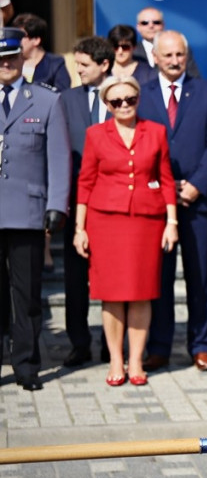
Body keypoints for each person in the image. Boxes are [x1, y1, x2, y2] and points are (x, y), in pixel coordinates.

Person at [73, 76, 178, 386]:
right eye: (116, 101)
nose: (123, 106)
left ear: (137, 99)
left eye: (129, 100)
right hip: (105, 222)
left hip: (146, 222)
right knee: (112, 295)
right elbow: (85, 181)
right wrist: (80, 227)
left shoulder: (156, 131)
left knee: (142, 293)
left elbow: (167, 179)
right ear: (107, 104)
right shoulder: (95, 134)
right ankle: (115, 359)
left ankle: (136, 361)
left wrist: (172, 223)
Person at [138, 31, 207, 372]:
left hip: (199, 202)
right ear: (155, 58)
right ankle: (159, 347)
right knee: (159, 276)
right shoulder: (140, 96)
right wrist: (165, 188)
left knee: (199, 276)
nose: (175, 61)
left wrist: (197, 185)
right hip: (157, 202)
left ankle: (201, 345)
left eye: (180, 55)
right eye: (168, 55)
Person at [0, 27, 71, 391]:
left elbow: (58, 159)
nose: (6, 64)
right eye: (0, 59)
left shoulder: (45, 100)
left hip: (27, 213)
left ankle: (26, 367)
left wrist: (57, 204)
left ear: (22, 57)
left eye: (11, 57)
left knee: (27, 296)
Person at [59, 36, 114, 368]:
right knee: (75, 278)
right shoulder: (66, 100)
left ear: (104, 65)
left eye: (83, 65)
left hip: (114, 204)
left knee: (111, 276)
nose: (77, 71)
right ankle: (79, 343)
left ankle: (112, 344)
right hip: (77, 203)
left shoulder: (123, 97)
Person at [132, 7, 201, 79]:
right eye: (145, 23)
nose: (151, 26)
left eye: (156, 22)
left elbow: (194, 79)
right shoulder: (131, 52)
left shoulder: (181, 48)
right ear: (138, 27)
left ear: (163, 25)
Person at [13, 13, 70, 92]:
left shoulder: (55, 64)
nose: (17, 40)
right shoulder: (11, 61)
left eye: (21, 37)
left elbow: (63, 94)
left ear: (36, 40)